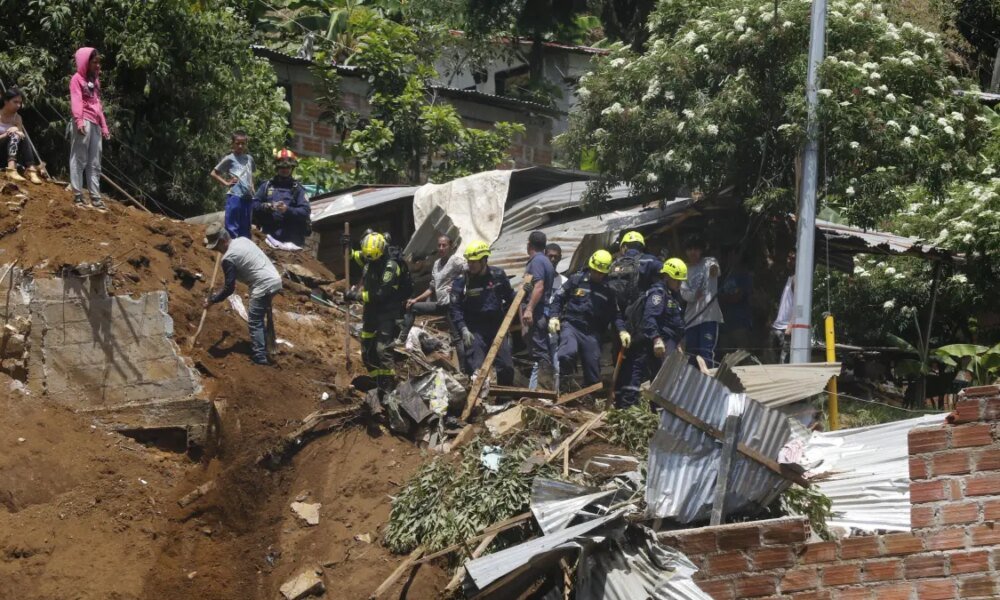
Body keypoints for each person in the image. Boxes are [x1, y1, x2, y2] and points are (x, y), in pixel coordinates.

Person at [203, 222, 283, 365]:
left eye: (216, 247)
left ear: (222, 242)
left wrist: (212, 300)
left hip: (263, 284)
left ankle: (260, 357)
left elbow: (229, 288)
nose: (217, 250)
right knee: (258, 316)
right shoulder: (243, 240)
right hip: (274, 279)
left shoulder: (228, 258)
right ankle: (265, 346)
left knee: (254, 320)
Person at [548, 250, 630, 388]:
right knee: (566, 354)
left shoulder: (608, 290)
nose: (598, 275)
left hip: (592, 332)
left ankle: (588, 399)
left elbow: (615, 315)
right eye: (596, 271)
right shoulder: (576, 280)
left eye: (601, 272)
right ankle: (564, 387)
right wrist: (554, 317)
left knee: (593, 372)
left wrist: (622, 331)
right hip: (572, 326)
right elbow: (558, 298)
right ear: (591, 267)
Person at [616, 258, 687, 407]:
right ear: (667, 276)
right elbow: (650, 317)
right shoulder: (658, 293)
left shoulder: (673, 296)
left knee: (661, 379)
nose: (679, 284)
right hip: (651, 342)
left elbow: (675, 323)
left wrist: (679, 342)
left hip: (665, 343)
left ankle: (658, 410)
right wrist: (657, 339)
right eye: (677, 280)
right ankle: (627, 407)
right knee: (637, 373)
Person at [345, 231, 407, 397]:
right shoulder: (371, 257)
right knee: (367, 351)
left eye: (374, 259)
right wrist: (347, 247)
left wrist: (357, 296)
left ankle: (388, 386)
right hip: (371, 314)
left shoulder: (390, 267)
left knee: (382, 350)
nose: (371, 261)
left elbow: (381, 294)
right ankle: (376, 382)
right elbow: (355, 257)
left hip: (387, 314)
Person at [450, 240, 515, 386]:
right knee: (476, 371)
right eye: (469, 261)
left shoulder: (498, 275)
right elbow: (455, 308)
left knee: (506, 367)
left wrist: (525, 293)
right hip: (474, 329)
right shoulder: (462, 281)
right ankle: (475, 404)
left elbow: (510, 297)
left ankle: (503, 401)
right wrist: (463, 328)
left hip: (497, 327)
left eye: (474, 262)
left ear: (484, 260)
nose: (470, 265)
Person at [401, 234, 465, 347]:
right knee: (412, 307)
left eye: (444, 245)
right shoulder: (436, 264)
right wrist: (415, 299)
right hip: (440, 305)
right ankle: (401, 339)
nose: (441, 248)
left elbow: (470, 271)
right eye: (439, 245)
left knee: (457, 338)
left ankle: (464, 365)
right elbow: (432, 288)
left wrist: (457, 285)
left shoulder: (455, 261)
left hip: (450, 305)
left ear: (450, 247)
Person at [69, 47, 110, 209]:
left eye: (99, 62)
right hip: (83, 120)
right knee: (79, 158)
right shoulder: (76, 79)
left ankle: (95, 197)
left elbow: (97, 105)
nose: (98, 66)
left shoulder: (95, 81)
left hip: (95, 123)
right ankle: (78, 195)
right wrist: (79, 121)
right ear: (85, 62)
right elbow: (77, 101)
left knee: (95, 162)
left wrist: (104, 125)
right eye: (94, 62)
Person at [680, 235, 724, 367]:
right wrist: (694, 295)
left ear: (701, 250)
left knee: (706, 353)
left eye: (696, 249)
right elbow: (684, 293)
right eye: (690, 249)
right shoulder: (684, 269)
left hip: (709, 317)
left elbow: (715, 270)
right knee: (691, 354)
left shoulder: (709, 261)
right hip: (691, 319)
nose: (693, 252)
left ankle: (709, 380)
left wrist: (713, 270)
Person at [253, 149, 311, 248]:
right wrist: (265, 206)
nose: (284, 170)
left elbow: (305, 211)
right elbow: (253, 204)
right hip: (268, 240)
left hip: (292, 243)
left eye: (287, 167)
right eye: (281, 167)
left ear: (292, 168)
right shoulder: (267, 186)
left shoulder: (298, 189)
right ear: (277, 167)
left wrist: (287, 210)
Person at [520, 231, 555, 387]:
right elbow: (531, 285)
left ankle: (544, 390)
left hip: (538, 312)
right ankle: (535, 389)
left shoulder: (537, 262)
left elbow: (539, 287)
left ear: (529, 245)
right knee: (537, 353)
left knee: (540, 353)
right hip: (540, 311)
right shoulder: (544, 261)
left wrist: (529, 309)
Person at [531, 242, 565, 389]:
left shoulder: (564, 282)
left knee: (557, 363)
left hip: (555, 328)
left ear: (560, 258)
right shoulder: (537, 279)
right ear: (544, 255)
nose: (552, 260)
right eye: (549, 256)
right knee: (539, 363)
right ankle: (532, 395)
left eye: (555, 257)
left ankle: (554, 395)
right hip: (539, 325)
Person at [211, 131, 255, 240]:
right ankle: (231, 250)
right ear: (233, 143)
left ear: (246, 144)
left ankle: (243, 252)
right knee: (232, 227)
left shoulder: (249, 159)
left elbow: (251, 174)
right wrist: (226, 183)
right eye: (237, 143)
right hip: (235, 195)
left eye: (243, 143)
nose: (240, 146)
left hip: (248, 197)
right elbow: (214, 173)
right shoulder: (230, 158)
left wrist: (253, 188)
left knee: (245, 228)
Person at [0, 88, 43, 185]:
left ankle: (31, 169)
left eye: (20, 103)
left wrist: (17, 131)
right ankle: (11, 168)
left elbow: (20, 139)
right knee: (14, 133)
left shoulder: (17, 118)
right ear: (6, 101)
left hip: (7, 155)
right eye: (15, 102)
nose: (18, 105)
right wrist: (6, 134)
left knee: (20, 135)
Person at [718, 250, 753, 356]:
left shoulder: (744, 276)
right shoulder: (723, 275)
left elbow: (739, 296)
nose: (730, 257)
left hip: (740, 323)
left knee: (742, 354)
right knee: (726, 356)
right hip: (725, 323)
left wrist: (722, 298)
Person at [769, 251, 796, 364]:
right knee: (771, 362)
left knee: (783, 363)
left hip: (786, 329)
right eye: (788, 258)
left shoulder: (796, 279)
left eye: (792, 258)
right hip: (777, 326)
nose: (789, 261)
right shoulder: (789, 278)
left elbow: (799, 305)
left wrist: (790, 325)